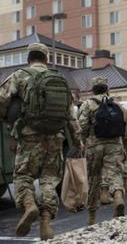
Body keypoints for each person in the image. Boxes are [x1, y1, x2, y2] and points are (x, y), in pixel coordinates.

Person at [0, 43, 82, 240]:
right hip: (55, 137)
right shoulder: (59, 78)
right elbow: (71, 115)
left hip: (29, 137)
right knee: (49, 180)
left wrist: (9, 123)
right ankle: (46, 221)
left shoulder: (19, 75)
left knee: (23, 177)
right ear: (46, 59)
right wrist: (78, 140)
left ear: (29, 58)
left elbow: (2, 100)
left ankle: (29, 206)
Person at [78, 76, 127, 225]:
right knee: (114, 173)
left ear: (93, 89)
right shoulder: (117, 104)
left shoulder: (87, 104)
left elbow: (82, 125)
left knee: (94, 179)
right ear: (107, 89)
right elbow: (125, 124)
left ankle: (92, 217)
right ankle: (118, 195)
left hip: (94, 145)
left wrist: (82, 141)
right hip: (114, 144)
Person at [100, 109, 127, 204]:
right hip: (119, 139)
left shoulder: (95, 107)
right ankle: (123, 187)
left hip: (100, 141)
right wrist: (125, 138)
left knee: (104, 165)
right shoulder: (122, 110)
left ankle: (104, 191)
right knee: (123, 160)